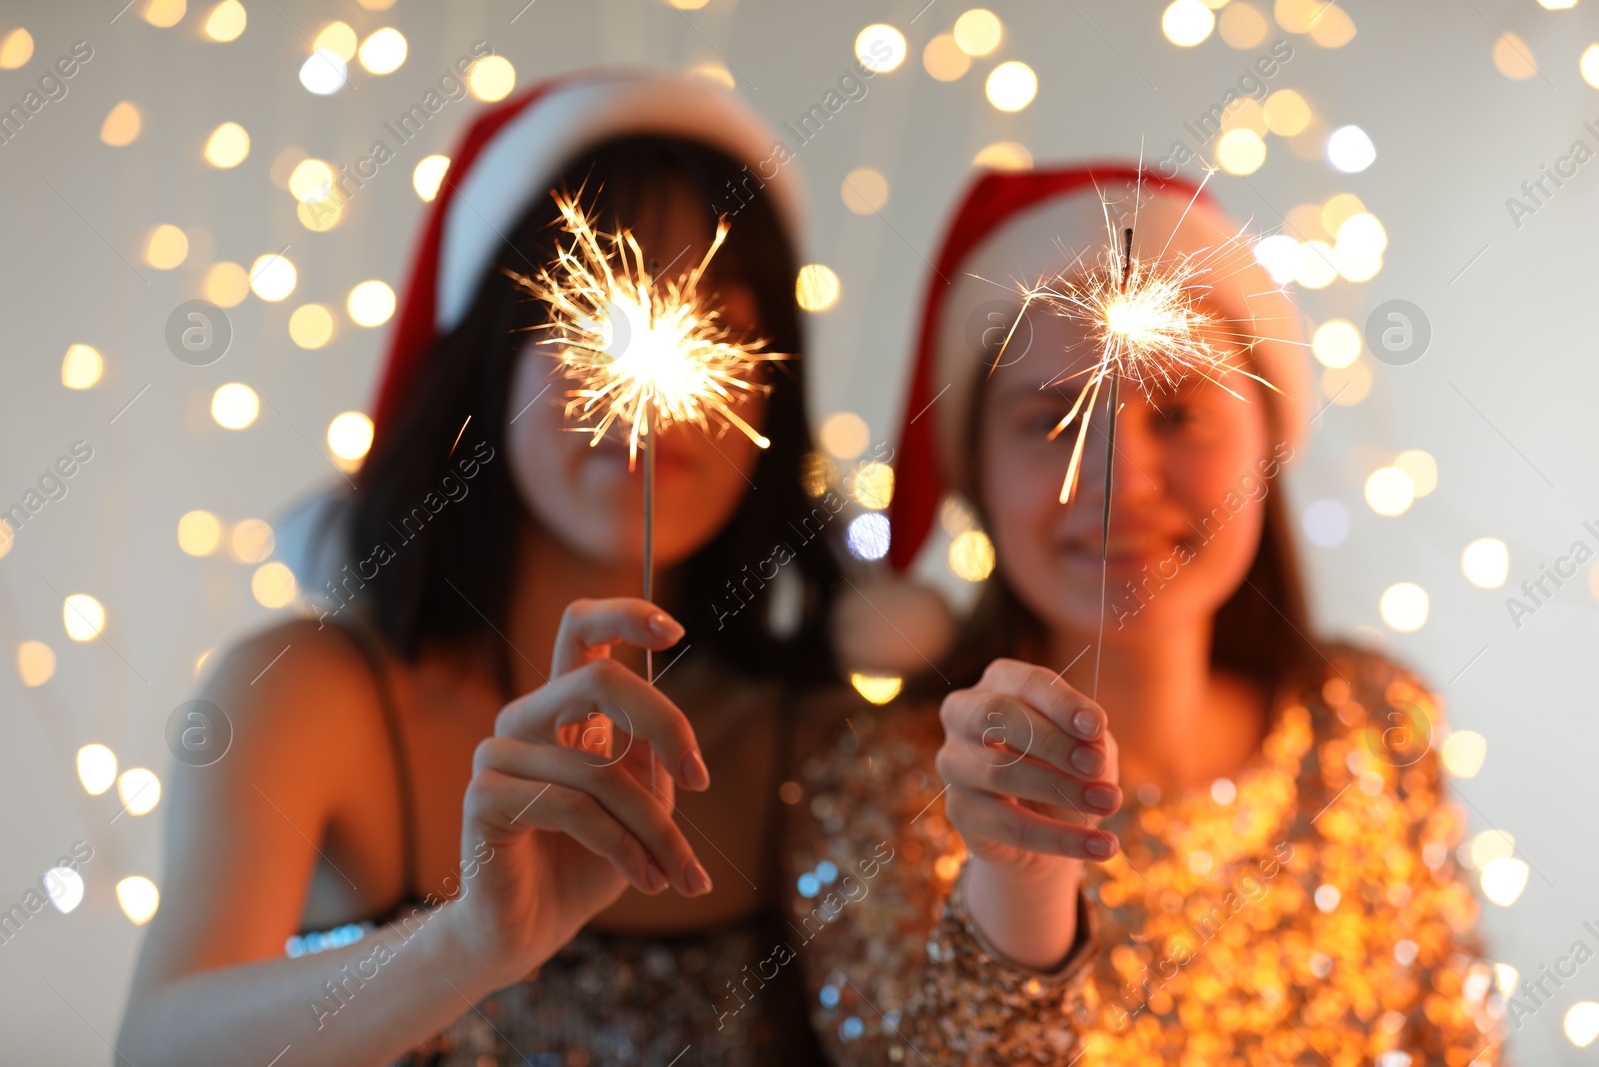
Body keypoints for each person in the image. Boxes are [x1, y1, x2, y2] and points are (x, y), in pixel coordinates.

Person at [118, 70, 846, 1067]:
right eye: (593, 303)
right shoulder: (304, 696)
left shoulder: (819, 744)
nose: (650, 378)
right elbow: (158, 1049)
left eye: (714, 313)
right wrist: (465, 944)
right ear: (490, 357)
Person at [785, 165, 1507, 1064]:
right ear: (976, 470)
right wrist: (1020, 903)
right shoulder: (881, 787)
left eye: (1176, 412)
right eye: (1056, 423)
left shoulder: (1371, 729)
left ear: (1265, 443)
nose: (1118, 479)